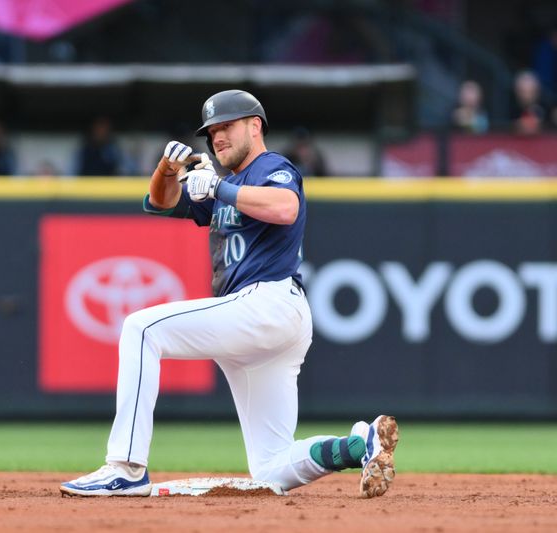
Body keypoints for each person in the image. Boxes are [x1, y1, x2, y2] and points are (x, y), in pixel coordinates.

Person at [60, 90, 399, 498]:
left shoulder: (272, 167)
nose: (217, 137)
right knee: (270, 468)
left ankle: (125, 466)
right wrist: (169, 169)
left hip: (268, 302)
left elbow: (285, 207)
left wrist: (220, 188)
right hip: (258, 322)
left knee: (142, 327)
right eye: (212, 132)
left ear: (255, 126)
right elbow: (159, 202)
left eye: (227, 127)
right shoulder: (226, 182)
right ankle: (358, 445)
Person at [511, 71, 547, 135]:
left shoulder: (547, 106)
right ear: (516, 91)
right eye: (523, 92)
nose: (527, 96)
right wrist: (515, 126)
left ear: (537, 91)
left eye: (531, 92)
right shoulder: (507, 108)